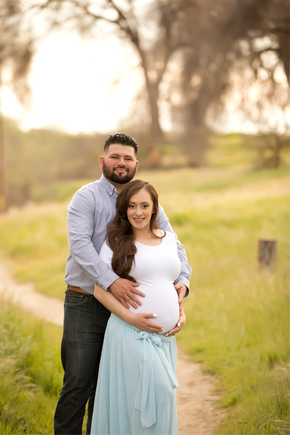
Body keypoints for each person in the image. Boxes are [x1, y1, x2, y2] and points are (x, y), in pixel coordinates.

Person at [54, 133, 191, 435]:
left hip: (129, 310)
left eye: (128, 158)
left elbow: (172, 243)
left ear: (136, 164)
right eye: (115, 157)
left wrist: (182, 281)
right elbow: (79, 246)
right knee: (79, 382)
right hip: (86, 302)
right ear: (103, 161)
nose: (121, 163)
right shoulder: (85, 197)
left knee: (110, 386)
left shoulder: (143, 200)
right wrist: (111, 281)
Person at [91, 179, 186, 434]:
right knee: (155, 396)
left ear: (155, 207)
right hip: (131, 333)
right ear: (124, 209)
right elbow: (99, 290)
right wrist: (132, 319)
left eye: (145, 205)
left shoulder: (169, 239)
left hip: (165, 340)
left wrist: (180, 310)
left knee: (154, 404)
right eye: (132, 206)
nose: (138, 212)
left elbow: (171, 282)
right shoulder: (115, 242)